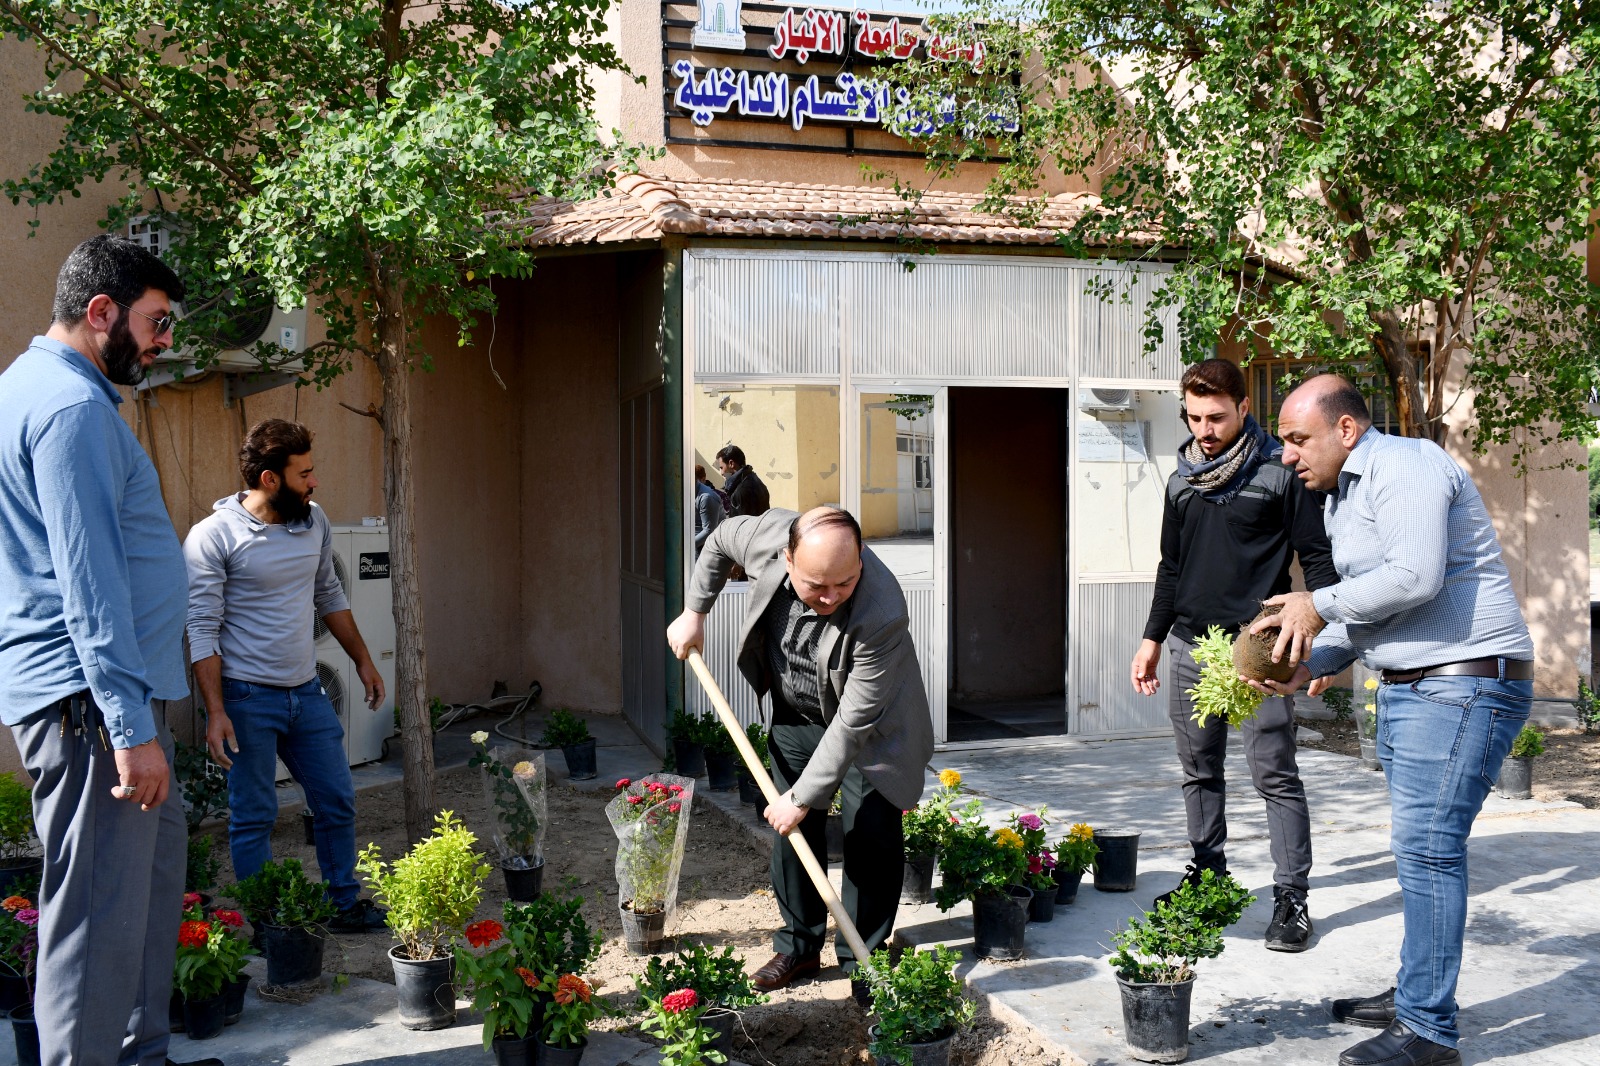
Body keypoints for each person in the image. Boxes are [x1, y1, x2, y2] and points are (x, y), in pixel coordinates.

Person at [1248, 374, 1533, 1066]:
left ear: (1346, 430)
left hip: (1462, 684)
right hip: (1414, 683)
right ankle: (1417, 994)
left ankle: (1429, 1032)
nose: (1286, 455)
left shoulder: (1406, 464)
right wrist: (1309, 655)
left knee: (1430, 850)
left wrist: (1316, 606)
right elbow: (1380, 610)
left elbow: (1414, 577)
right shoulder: (1341, 498)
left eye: (1296, 438)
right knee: (1417, 851)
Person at [0, 235, 221, 1066]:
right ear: (101, 315)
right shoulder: (69, 410)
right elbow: (85, 580)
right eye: (157, 323)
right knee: (97, 917)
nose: (166, 342)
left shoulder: (39, 392)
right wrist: (130, 729)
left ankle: (141, 1054)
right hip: (94, 708)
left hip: (108, 700)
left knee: (143, 902)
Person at [666, 506, 932, 999]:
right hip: (797, 711)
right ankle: (799, 946)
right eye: (816, 585)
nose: (830, 597)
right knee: (793, 833)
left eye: (845, 583)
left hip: (872, 732)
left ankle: (864, 958)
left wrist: (803, 794)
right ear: (787, 559)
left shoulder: (883, 611)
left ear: (860, 560)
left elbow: (853, 722)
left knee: (870, 836)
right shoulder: (767, 536)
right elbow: (720, 539)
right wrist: (694, 611)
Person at [1131, 358, 1337, 952]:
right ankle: (1208, 875)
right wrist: (1151, 637)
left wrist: (1317, 647)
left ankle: (1292, 900)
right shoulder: (1181, 480)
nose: (1204, 429)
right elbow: (1172, 567)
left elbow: (1316, 563)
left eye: (1216, 416)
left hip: (1258, 651)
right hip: (1189, 646)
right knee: (1200, 771)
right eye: (1194, 417)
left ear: (1244, 409)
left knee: (1274, 775)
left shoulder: (1280, 474)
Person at [183, 419, 389, 933]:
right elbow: (201, 628)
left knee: (336, 798)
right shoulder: (213, 537)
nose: (314, 483)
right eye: (306, 474)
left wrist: (362, 659)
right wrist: (215, 712)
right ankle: (268, 923)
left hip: (306, 691)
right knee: (254, 815)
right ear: (271, 479)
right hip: (246, 697)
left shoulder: (312, 521)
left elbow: (329, 594)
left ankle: (343, 902)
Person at [715, 444, 771, 517]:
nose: (722, 473)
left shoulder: (741, 490)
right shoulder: (753, 479)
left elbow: (742, 525)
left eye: (722, 467)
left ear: (731, 463)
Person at [693, 463, 725, 559]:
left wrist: (687, 546)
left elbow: (709, 531)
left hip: (704, 548)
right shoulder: (687, 492)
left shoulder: (706, 497)